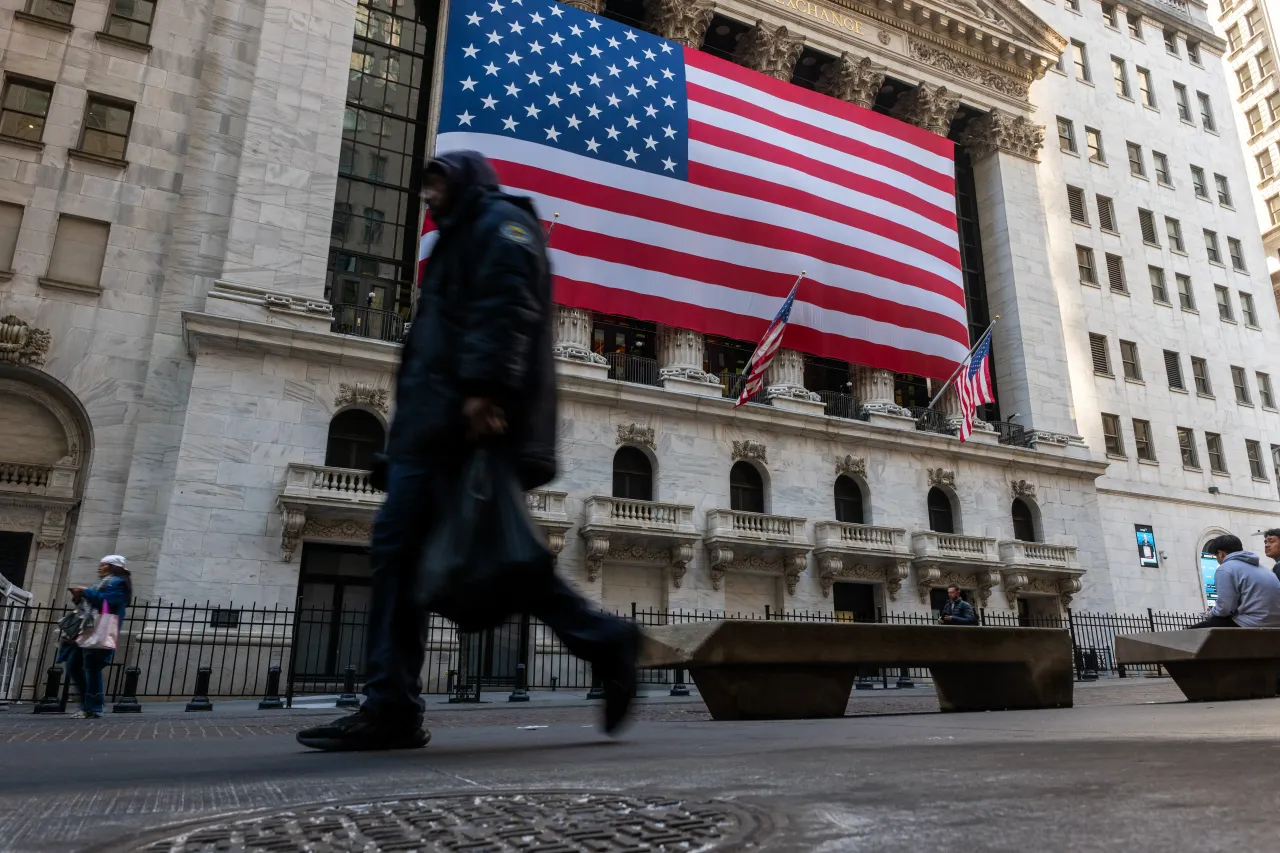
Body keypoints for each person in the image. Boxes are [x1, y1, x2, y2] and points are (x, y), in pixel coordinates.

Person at [297, 150, 640, 752]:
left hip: (461, 431)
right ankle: (604, 640)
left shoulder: (499, 224)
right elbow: (434, 349)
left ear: (463, 181)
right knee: (495, 565)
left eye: (436, 184)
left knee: (411, 560)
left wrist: (485, 389)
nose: (427, 196)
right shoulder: (459, 236)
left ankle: (392, 708)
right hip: (431, 434)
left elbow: (509, 307)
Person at [59, 555, 132, 719]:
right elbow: (89, 605)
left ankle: (93, 707)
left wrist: (86, 591)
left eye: (103, 564)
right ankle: (89, 703)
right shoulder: (101, 583)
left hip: (100, 630)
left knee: (92, 668)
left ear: (113, 567)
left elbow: (107, 602)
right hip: (86, 629)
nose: (99, 567)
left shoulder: (118, 583)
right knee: (73, 665)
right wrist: (79, 597)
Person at [1191, 534, 1280, 628]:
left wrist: (1209, 614)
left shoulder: (1225, 568)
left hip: (1252, 623)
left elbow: (1224, 609)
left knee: (1191, 633)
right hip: (1276, 624)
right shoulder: (1263, 568)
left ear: (1221, 554)